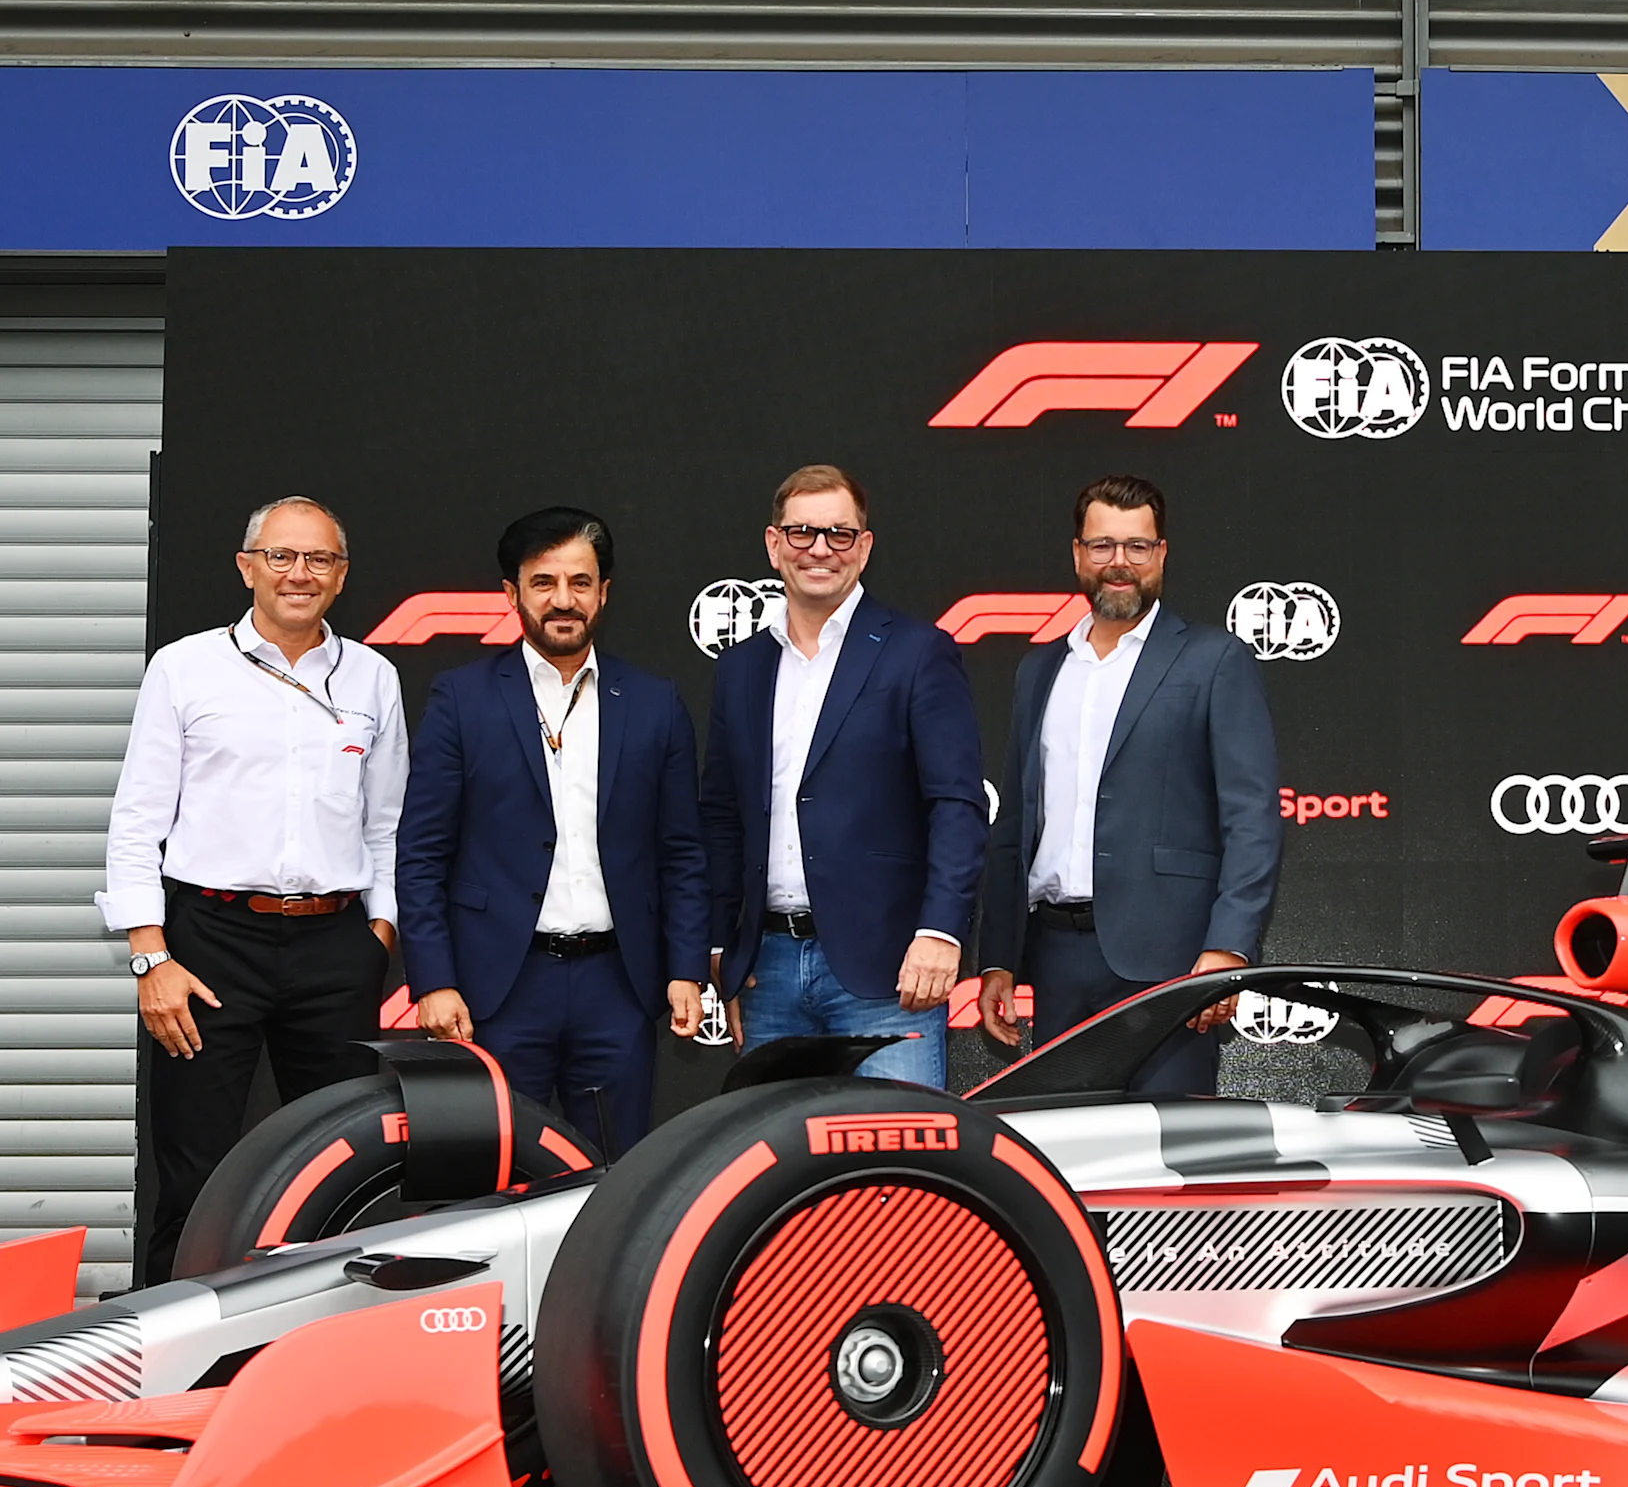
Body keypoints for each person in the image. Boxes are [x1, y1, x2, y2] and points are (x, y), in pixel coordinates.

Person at [100, 495, 407, 1284]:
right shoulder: (184, 667)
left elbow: (388, 825)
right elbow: (137, 822)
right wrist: (149, 957)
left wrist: (378, 937)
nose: (299, 574)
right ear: (247, 567)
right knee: (195, 1167)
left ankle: (316, 1349)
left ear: (341, 576)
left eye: (319, 559)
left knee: (340, 1166)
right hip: (209, 944)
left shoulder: (373, 677)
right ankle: (172, 1352)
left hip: (335, 947)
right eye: (281, 556)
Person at [394, 506, 711, 1153]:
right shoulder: (463, 699)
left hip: (617, 987)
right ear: (511, 594)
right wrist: (433, 979)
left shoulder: (654, 703)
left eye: (580, 582)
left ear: (604, 592)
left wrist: (685, 967)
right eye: (543, 583)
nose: (563, 600)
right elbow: (422, 851)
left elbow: (681, 852)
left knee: (614, 1175)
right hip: (500, 988)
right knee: (499, 1173)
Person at [977, 474, 1280, 1094]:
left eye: (1138, 547)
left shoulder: (1212, 659)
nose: (1120, 563)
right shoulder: (1039, 670)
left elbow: (1251, 817)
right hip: (1055, 958)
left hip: (1171, 962)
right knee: (1066, 1159)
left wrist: (1227, 949)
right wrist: (1000, 958)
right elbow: (1014, 826)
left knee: (1171, 1164)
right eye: (1103, 546)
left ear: (1162, 555)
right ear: (1078, 555)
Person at [699, 465, 985, 1088]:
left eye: (840, 534)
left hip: (887, 968)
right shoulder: (741, 669)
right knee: (781, 1172)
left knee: (898, 1162)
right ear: (774, 545)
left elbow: (956, 804)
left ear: (865, 546)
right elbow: (721, 816)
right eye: (802, 533)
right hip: (766, 970)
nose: (820, 550)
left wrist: (939, 932)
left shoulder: (917, 651)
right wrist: (724, 946)